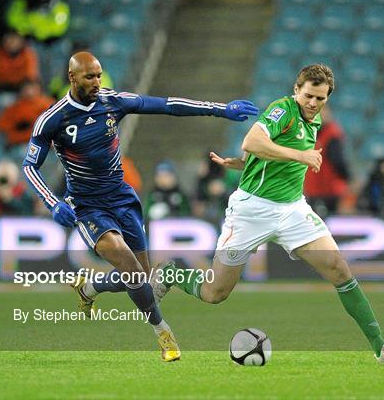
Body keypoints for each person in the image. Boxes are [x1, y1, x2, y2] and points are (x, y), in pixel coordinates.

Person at [153, 64, 384, 364]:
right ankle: (169, 273)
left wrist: (244, 164)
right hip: (251, 211)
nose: (313, 104)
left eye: (320, 99)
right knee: (215, 293)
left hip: (292, 210)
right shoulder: (283, 109)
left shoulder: (313, 122)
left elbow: (259, 152)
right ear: (296, 90)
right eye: (308, 96)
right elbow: (252, 141)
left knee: (339, 269)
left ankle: (382, 347)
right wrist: (299, 155)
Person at [22, 51, 258, 362]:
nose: (97, 82)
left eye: (99, 75)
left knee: (140, 277)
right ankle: (164, 334)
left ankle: (89, 288)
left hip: (122, 197)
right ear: (72, 77)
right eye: (90, 76)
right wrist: (52, 202)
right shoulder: (52, 119)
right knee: (132, 270)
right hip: (88, 206)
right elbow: (29, 166)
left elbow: (167, 105)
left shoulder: (113, 101)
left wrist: (219, 109)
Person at [304, 105, 350, 216]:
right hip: (314, 189)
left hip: (328, 189)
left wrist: (347, 178)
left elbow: (338, 161)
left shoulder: (332, 134)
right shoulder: (311, 131)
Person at [0, 80, 55, 148]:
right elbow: (1, 126)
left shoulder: (48, 104)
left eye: (32, 88)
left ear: (39, 89)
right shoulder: (15, 107)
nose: (29, 91)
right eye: (26, 88)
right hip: (20, 144)